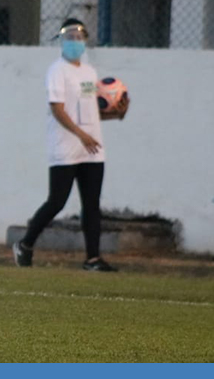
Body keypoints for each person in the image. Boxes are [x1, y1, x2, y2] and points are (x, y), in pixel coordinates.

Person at [12, 18, 130, 272]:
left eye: (79, 37)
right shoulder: (57, 71)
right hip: (65, 147)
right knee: (57, 201)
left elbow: (90, 112)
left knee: (92, 205)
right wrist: (80, 135)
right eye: (70, 37)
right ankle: (25, 244)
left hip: (92, 149)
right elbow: (58, 109)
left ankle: (92, 259)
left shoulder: (89, 72)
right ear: (61, 40)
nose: (75, 41)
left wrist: (117, 114)